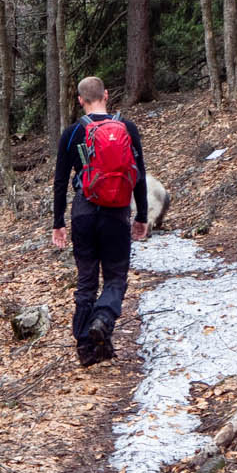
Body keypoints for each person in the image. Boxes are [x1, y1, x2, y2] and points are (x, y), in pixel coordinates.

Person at [52, 76, 149, 365]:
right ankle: (103, 320)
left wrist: (58, 222)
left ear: (80, 100)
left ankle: (86, 349)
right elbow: (139, 175)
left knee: (86, 282)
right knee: (116, 277)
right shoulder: (127, 129)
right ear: (106, 95)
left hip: (83, 212)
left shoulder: (71, 133)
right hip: (117, 213)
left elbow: (59, 182)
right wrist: (142, 215)